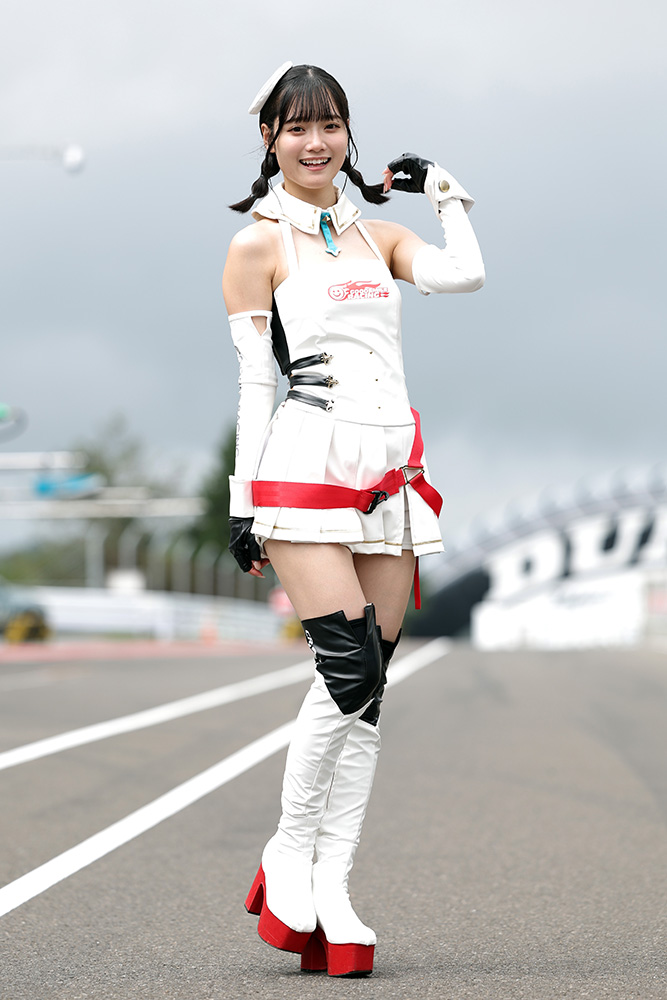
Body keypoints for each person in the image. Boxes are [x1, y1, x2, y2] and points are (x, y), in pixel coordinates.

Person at [223, 62, 484, 977]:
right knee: (346, 666)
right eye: (296, 127)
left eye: (329, 124)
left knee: (370, 693)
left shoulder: (380, 234)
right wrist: (243, 503)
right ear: (269, 138)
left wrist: (444, 191)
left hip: (390, 469)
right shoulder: (257, 246)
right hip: (304, 464)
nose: (315, 142)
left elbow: (464, 275)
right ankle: (289, 854)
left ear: (347, 134)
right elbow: (254, 386)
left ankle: (332, 887)